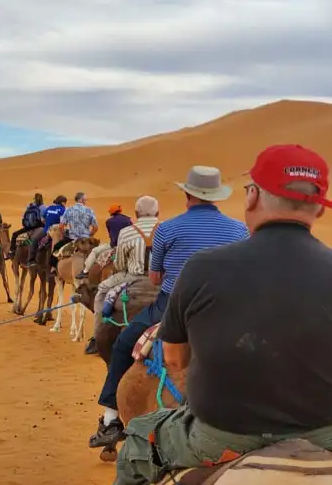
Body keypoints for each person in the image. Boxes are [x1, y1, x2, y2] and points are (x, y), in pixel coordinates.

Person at [114, 145, 332, 484]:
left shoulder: (200, 267)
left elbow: (174, 357)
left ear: (252, 197)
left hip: (221, 437)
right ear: (318, 210)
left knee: (139, 439)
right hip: (324, 433)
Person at [89, 165, 250, 451]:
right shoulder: (240, 230)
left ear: (188, 194)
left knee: (124, 344)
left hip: (171, 308)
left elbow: (154, 278)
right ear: (216, 197)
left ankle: (111, 419)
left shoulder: (168, 229)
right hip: (225, 312)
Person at [84, 196, 160, 355]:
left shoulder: (126, 232)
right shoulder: (166, 229)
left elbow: (119, 264)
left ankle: (98, 336)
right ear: (157, 212)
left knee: (102, 290)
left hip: (132, 277)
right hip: (161, 279)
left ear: (136, 213)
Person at [76, 203, 132, 279]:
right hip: (128, 245)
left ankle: (85, 271)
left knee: (95, 251)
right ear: (120, 211)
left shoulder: (109, 221)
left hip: (114, 245)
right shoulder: (128, 219)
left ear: (111, 212)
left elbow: (111, 235)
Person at [50, 192, 98, 274]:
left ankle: (54, 268)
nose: (85, 201)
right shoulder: (89, 210)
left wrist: (65, 234)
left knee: (56, 248)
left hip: (72, 239)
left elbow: (61, 226)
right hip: (87, 239)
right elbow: (95, 228)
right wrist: (90, 235)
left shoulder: (69, 210)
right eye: (85, 199)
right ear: (81, 200)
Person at [25, 195, 67, 267]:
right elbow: (64, 223)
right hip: (57, 232)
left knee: (35, 240)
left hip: (46, 230)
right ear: (63, 203)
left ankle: (31, 260)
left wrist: (48, 223)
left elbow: (43, 220)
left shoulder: (49, 208)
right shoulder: (63, 210)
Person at [5, 193, 46, 260]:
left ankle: (12, 251)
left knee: (14, 234)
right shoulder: (44, 207)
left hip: (28, 227)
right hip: (39, 226)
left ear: (34, 199)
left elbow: (24, 217)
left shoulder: (29, 206)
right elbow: (44, 219)